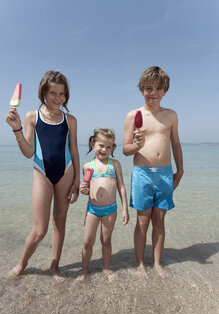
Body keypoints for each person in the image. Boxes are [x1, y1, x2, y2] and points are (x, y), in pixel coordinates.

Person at [6, 70, 80, 281]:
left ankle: (54, 266)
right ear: (43, 93)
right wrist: (17, 130)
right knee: (39, 230)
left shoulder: (70, 120)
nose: (57, 98)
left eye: (62, 94)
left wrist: (77, 180)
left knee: (60, 222)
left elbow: (74, 150)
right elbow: (29, 152)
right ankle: (22, 264)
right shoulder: (32, 116)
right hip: (41, 172)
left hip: (66, 172)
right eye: (53, 93)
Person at [123, 66, 183, 279]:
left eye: (158, 88)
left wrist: (180, 170)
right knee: (142, 220)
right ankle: (140, 264)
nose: (152, 93)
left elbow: (175, 144)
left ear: (165, 91)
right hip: (142, 172)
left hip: (165, 172)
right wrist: (137, 145)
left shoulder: (171, 115)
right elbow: (125, 150)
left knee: (159, 219)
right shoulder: (133, 115)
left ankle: (157, 263)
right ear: (141, 89)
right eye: (148, 88)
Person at [78, 128, 129, 282]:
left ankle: (106, 268)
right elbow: (86, 189)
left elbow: (121, 186)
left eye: (109, 147)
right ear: (93, 144)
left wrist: (125, 209)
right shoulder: (87, 166)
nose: (104, 149)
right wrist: (83, 190)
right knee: (87, 241)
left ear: (113, 148)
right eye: (101, 145)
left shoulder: (115, 164)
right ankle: (84, 270)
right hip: (92, 209)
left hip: (110, 210)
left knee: (106, 240)